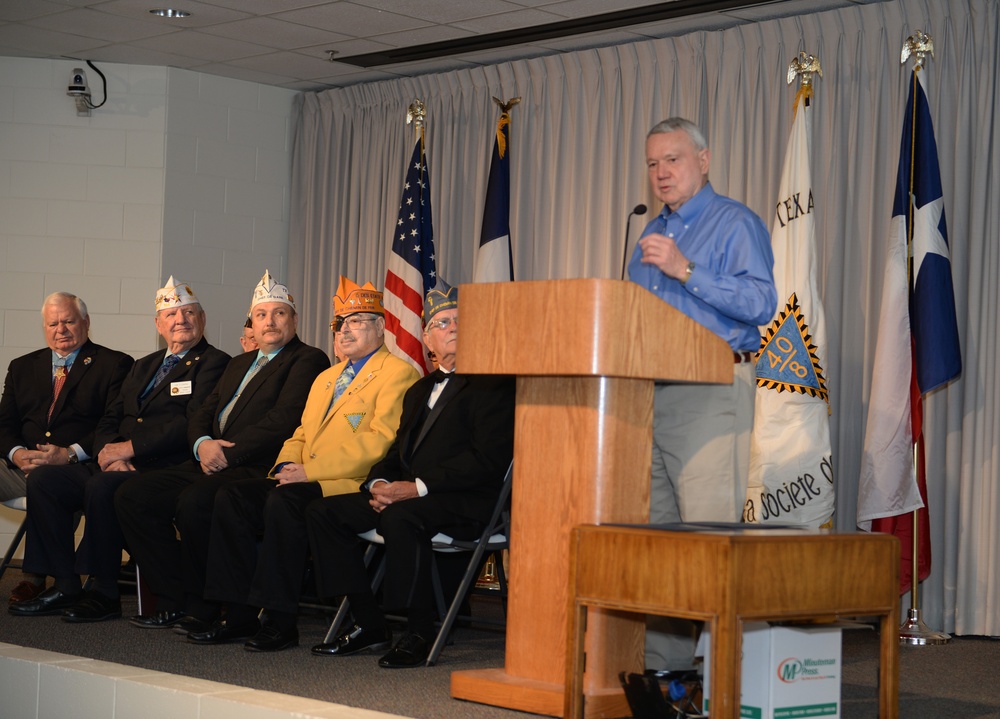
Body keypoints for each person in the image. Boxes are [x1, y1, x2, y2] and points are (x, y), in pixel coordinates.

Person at [189, 276, 419, 651]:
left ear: (381, 327)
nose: (345, 330)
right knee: (232, 497)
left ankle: (281, 621)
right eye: (339, 324)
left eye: (356, 321)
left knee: (285, 504)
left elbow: (380, 443)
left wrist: (309, 472)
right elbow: (299, 433)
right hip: (302, 476)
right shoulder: (327, 378)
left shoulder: (398, 374)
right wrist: (284, 467)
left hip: (347, 483)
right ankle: (238, 614)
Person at [627, 117, 777, 669]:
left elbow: (762, 303)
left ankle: (722, 677)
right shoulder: (647, 233)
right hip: (647, 398)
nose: (661, 173)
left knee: (708, 541)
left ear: (704, 160)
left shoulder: (734, 222)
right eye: (652, 163)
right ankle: (664, 673)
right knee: (660, 543)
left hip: (711, 390)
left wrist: (686, 269)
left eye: (673, 159)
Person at [307, 278, 515, 668]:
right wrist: (380, 482)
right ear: (426, 339)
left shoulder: (496, 384)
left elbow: (485, 460)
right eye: (442, 323)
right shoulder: (420, 389)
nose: (452, 327)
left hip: (467, 502)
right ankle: (369, 623)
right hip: (413, 496)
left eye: (459, 320)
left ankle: (419, 630)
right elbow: (397, 451)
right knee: (324, 512)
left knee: (402, 517)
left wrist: (416, 488)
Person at [114, 270, 330, 631]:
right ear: (252, 323)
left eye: (279, 314)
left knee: (196, 501)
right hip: (210, 460)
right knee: (132, 496)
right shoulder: (239, 362)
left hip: (257, 466)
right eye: (261, 315)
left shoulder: (307, 359)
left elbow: (285, 419)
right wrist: (201, 444)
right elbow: (202, 412)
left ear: (294, 320)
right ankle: (178, 594)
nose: (269, 322)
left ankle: (211, 605)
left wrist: (227, 454)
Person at [8, 278, 230, 621]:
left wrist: (129, 449)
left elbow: (191, 422)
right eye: (170, 315)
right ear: (158, 324)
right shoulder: (146, 364)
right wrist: (107, 452)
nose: (180, 321)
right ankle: (66, 584)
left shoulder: (215, 362)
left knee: (101, 487)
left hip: (164, 466)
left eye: (188, 313)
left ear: (202, 319)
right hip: (116, 463)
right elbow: (112, 416)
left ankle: (104, 590)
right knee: (46, 481)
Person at [0, 292, 133, 604]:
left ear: (85, 323)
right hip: (21, 466)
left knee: (48, 484)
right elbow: (4, 425)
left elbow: (112, 425)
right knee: (39, 479)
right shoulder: (22, 367)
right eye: (53, 323)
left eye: (69, 321)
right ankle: (39, 574)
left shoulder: (115, 364)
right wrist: (18, 454)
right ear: (44, 328)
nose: (61, 329)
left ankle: (39, 576)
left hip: (79, 465)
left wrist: (70, 452)